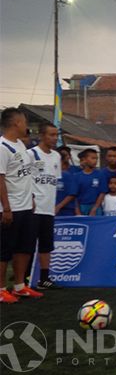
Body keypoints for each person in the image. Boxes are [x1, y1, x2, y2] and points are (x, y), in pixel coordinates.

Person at [0, 108, 43, 302]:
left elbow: (25, 175)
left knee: (24, 248)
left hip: (26, 206)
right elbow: (0, 179)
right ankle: (1, 290)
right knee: (4, 251)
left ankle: (19, 286)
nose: (26, 126)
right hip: (10, 208)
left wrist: (32, 197)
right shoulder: (2, 147)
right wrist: (6, 207)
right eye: (24, 122)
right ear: (16, 123)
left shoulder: (20, 145)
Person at [26, 122, 61, 290]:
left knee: (46, 245)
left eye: (56, 135)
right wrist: (30, 198)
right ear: (41, 135)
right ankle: (25, 278)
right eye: (51, 135)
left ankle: (44, 278)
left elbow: (54, 181)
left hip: (48, 208)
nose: (55, 138)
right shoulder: (30, 154)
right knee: (28, 245)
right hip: (32, 208)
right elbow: (23, 179)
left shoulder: (56, 156)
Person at [74, 149, 107, 216]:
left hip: (96, 207)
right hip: (81, 207)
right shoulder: (76, 176)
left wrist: (95, 208)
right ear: (84, 159)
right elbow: (74, 196)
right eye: (93, 158)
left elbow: (102, 192)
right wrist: (77, 211)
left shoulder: (100, 174)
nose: (95, 161)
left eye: (96, 158)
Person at [55, 146, 79, 216]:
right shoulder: (51, 173)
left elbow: (72, 194)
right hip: (51, 209)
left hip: (67, 209)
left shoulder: (68, 175)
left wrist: (59, 206)